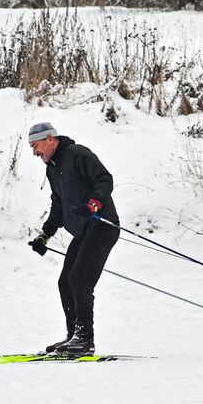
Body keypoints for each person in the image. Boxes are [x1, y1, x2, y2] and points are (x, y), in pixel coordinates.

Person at [25, 122, 121, 355]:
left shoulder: (77, 155)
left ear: (50, 139)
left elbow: (104, 179)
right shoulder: (52, 168)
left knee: (79, 279)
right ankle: (73, 337)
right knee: (65, 281)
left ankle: (84, 339)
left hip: (102, 227)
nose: (34, 152)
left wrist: (94, 204)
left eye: (36, 146)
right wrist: (45, 234)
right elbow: (58, 204)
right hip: (84, 231)